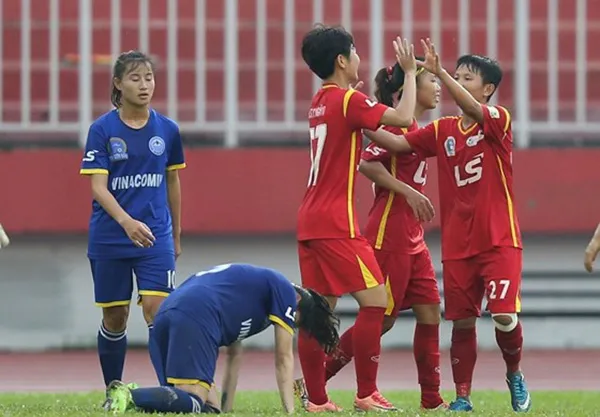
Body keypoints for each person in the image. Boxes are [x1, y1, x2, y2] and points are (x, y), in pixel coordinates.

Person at [364, 39, 531, 413]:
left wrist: (437, 70)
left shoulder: (499, 120)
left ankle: (515, 374)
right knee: (462, 322)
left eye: (467, 78)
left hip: (499, 239)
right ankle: (462, 397)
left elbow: (471, 108)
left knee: (504, 315)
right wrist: (358, 119)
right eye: (455, 76)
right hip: (458, 244)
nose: (455, 82)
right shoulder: (442, 130)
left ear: (488, 88)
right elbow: (397, 144)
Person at [296, 24, 421, 412]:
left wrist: (359, 99)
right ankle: (366, 392)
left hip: (310, 219)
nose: (359, 58)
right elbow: (404, 117)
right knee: (376, 302)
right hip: (336, 222)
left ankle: (317, 400)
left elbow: (360, 129)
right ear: (341, 60)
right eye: (354, 52)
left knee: (319, 311)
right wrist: (411, 73)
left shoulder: (320, 100)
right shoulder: (348, 100)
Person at [309, 61, 445, 410]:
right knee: (380, 317)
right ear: (407, 89)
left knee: (430, 311)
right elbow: (367, 163)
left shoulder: (415, 127)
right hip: (389, 233)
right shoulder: (396, 126)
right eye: (432, 81)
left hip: (414, 237)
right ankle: (317, 380)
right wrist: (409, 192)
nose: (437, 87)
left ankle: (431, 399)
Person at [79, 50, 185, 407]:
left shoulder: (167, 130)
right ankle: (114, 389)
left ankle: (170, 393)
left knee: (158, 310)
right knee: (116, 316)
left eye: (149, 78)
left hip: (155, 236)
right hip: (111, 237)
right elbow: (98, 187)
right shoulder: (102, 130)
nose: (144, 85)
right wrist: (126, 222)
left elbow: (172, 182)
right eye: (135, 78)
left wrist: (176, 235)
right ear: (118, 84)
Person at [102, 263, 340, 415]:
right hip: (196, 314)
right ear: (298, 303)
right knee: (194, 401)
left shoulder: (251, 297)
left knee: (207, 410)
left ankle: (138, 400)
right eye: (297, 322)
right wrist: (290, 412)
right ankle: (129, 395)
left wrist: (226, 409)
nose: (291, 326)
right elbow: (283, 358)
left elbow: (234, 356)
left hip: (169, 311)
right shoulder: (286, 292)